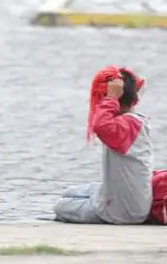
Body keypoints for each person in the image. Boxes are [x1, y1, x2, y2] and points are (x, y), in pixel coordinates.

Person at [54, 67, 153, 225]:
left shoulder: (124, 126)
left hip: (122, 212)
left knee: (61, 206)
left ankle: (100, 205)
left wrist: (111, 97)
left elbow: (100, 125)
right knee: (70, 192)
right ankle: (99, 199)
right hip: (132, 202)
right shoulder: (135, 121)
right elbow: (138, 89)